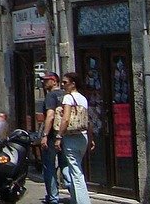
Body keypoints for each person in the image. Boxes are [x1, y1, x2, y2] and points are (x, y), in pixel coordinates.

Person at [57, 72, 92, 204]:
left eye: (65, 82)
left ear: (73, 84)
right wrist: (91, 137)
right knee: (75, 169)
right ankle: (75, 200)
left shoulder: (68, 98)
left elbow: (65, 119)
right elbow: (88, 121)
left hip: (71, 138)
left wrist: (59, 136)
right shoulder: (83, 99)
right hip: (83, 137)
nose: (63, 85)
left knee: (76, 172)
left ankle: (83, 201)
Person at [38, 72, 64, 204]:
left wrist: (45, 135)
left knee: (49, 166)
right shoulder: (66, 95)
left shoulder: (51, 96)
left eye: (47, 80)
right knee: (66, 166)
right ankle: (76, 196)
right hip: (65, 135)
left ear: (54, 81)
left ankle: (53, 198)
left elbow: (50, 116)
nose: (44, 82)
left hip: (53, 136)